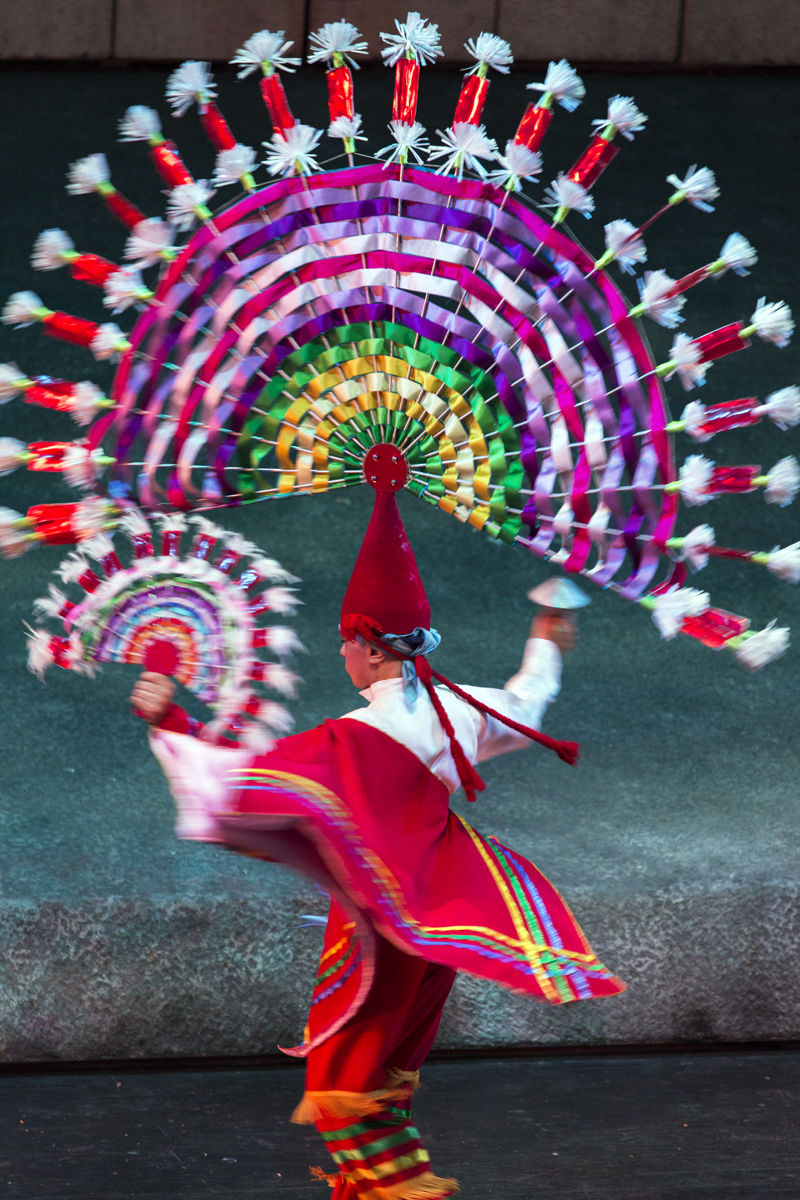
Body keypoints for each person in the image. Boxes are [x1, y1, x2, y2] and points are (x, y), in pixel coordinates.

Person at [133, 453, 625, 1199]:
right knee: (382, 1082)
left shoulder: (352, 737)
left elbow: (238, 780)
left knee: (344, 1086)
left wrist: (171, 719)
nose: (340, 653)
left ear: (365, 645)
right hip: (443, 912)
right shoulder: (459, 709)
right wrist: (548, 632)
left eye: (345, 641)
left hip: (384, 916)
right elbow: (529, 701)